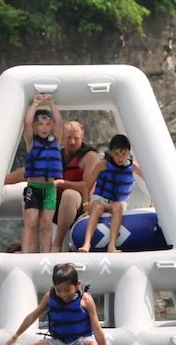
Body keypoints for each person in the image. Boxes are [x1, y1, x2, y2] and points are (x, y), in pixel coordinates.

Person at [0, 263, 115, 345]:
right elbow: (32, 316)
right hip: (58, 342)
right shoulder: (49, 297)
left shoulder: (86, 300)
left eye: (67, 290)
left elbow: (97, 330)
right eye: (59, 290)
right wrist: (16, 335)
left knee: (91, 344)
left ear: (77, 285)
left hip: (81, 341)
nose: (63, 294)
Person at [79, 134, 145, 253]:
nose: (120, 158)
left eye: (124, 154)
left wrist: (154, 201)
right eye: (116, 154)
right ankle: (86, 244)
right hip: (100, 198)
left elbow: (150, 180)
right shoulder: (102, 165)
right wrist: (86, 206)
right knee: (97, 206)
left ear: (129, 152)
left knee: (117, 206)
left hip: (117, 202)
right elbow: (86, 187)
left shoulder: (133, 167)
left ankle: (112, 245)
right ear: (111, 152)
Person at [19, 94, 64, 252]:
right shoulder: (31, 142)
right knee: (31, 221)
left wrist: (51, 103)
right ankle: (25, 252)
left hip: (49, 188)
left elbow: (60, 123)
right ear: (35, 127)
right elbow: (26, 123)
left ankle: (46, 255)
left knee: (46, 224)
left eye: (47, 124)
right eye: (40, 124)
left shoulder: (55, 141)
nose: (44, 128)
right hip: (33, 187)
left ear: (51, 126)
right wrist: (35, 104)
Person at [52, 120, 102, 251]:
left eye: (76, 138)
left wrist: (62, 183)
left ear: (82, 138)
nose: (72, 142)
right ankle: (31, 245)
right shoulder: (56, 156)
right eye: (69, 137)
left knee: (69, 194)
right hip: (57, 203)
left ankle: (57, 244)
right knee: (32, 192)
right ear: (62, 138)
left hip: (83, 204)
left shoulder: (90, 157)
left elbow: (87, 186)